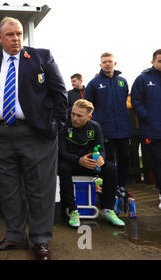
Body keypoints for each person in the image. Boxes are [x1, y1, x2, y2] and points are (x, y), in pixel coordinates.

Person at [0, 17, 67, 260]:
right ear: (0, 38)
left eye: (18, 34)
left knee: (40, 189)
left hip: (37, 134)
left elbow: (60, 94)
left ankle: (40, 240)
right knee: (8, 189)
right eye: (10, 35)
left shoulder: (41, 57)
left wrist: (56, 125)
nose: (16, 38)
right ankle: (15, 236)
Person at [58, 99, 125, 228]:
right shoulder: (64, 126)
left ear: (89, 117)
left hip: (90, 164)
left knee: (111, 168)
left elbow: (101, 149)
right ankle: (73, 210)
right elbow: (62, 152)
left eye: (79, 115)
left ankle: (107, 210)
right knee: (62, 168)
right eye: (73, 113)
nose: (74, 118)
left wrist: (101, 158)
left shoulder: (95, 127)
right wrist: (78, 160)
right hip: (72, 163)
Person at [85, 53, 132, 195]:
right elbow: (88, 105)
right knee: (109, 161)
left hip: (123, 128)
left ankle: (121, 186)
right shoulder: (93, 84)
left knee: (125, 157)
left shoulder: (122, 82)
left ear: (115, 63)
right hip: (104, 129)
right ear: (100, 65)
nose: (107, 64)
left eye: (109, 61)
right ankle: (110, 188)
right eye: (104, 62)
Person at [131, 49, 161, 210]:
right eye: (160, 61)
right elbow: (136, 100)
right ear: (153, 62)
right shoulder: (143, 79)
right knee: (158, 162)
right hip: (153, 130)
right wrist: (147, 117)